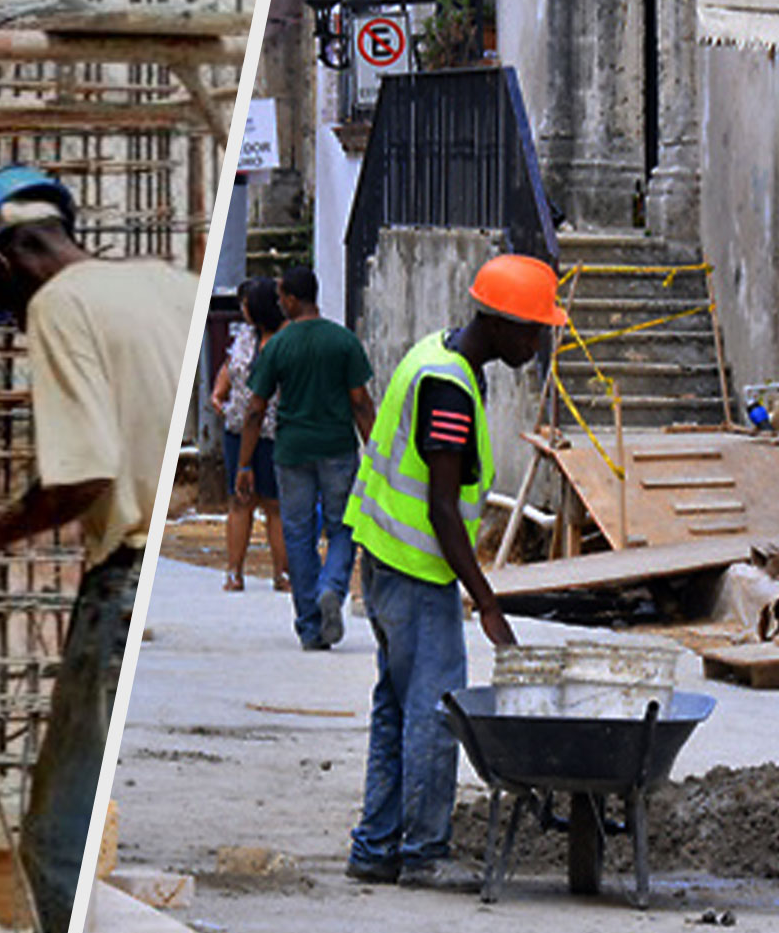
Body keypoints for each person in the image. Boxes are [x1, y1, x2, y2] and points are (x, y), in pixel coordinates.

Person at [0, 166, 194, 933]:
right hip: (166, 563)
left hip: (121, 576)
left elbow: (81, 475)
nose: (15, 325)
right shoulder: (172, 285)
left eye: (3, 306)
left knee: (60, 836)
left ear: (9, 264)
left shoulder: (59, 304)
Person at [342, 254, 564, 890]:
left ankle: (376, 847)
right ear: (502, 323)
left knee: (395, 707)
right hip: (416, 570)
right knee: (436, 711)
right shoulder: (449, 387)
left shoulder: (437, 355)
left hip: (386, 563)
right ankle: (424, 853)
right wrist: (486, 599)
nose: (539, 343)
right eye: (535, 330)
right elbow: (442, 506)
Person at [236, 267, 375, 649]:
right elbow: (360, 402)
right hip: (337, 450)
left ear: (293, 299)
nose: (279, 302)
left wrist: (245, 463)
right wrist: (376, 454)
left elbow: (254, 409)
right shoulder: (343, 341)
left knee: (298, 535)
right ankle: (332, 586)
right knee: (344, 527)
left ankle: (311, 625)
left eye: (282, 295)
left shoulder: (278, 346)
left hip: (291, 451)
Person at [209, 277, 289, 592]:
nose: (242, 309)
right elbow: (231, 364)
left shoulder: (285, 338)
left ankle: (281, 573)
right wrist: (219, 392)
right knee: (240, 500)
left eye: (247, 304)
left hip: (272, 432)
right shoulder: (245, 335)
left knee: (274, 503)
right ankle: (234, 571)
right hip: (238, 429)